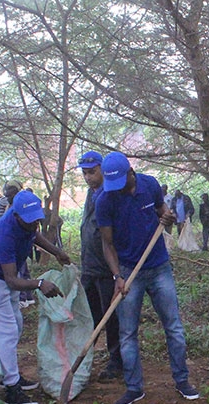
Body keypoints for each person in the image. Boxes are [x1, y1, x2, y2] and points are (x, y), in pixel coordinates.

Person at [96, 151, 199, 404]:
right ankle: (134, 388)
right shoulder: (105, 200)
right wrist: (117, 276)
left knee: (173, 327)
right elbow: (107, 245)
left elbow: (164, 214)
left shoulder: (150, 185)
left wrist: (167, 217)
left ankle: (182, 380)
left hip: (159, 268)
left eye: (120, 183)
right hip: (129, 271)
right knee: (127, 333)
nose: (116, 190)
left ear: (131, 173)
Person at [0, 190, 70, 404]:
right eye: (30, 220)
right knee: (6, 332)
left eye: (37, 219)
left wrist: (56, 252)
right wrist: (39, 284)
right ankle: (11, 388)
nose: (35, 223)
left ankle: (10, 374)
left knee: (15, 326)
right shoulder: (5, 233)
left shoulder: (27, 223)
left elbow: (35, 235)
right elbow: (10, 280)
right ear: (16, 216)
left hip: (7, 278)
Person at [77, 151, 123, 382]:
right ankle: (85, 357)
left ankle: (117, 360)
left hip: (106, 268)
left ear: (103, 170)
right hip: (89, 266)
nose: (88, 177)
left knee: (111, 315)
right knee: (89, 314)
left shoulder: (111, 193)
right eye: (85, 173)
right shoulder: (90, 192)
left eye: (92, 172)